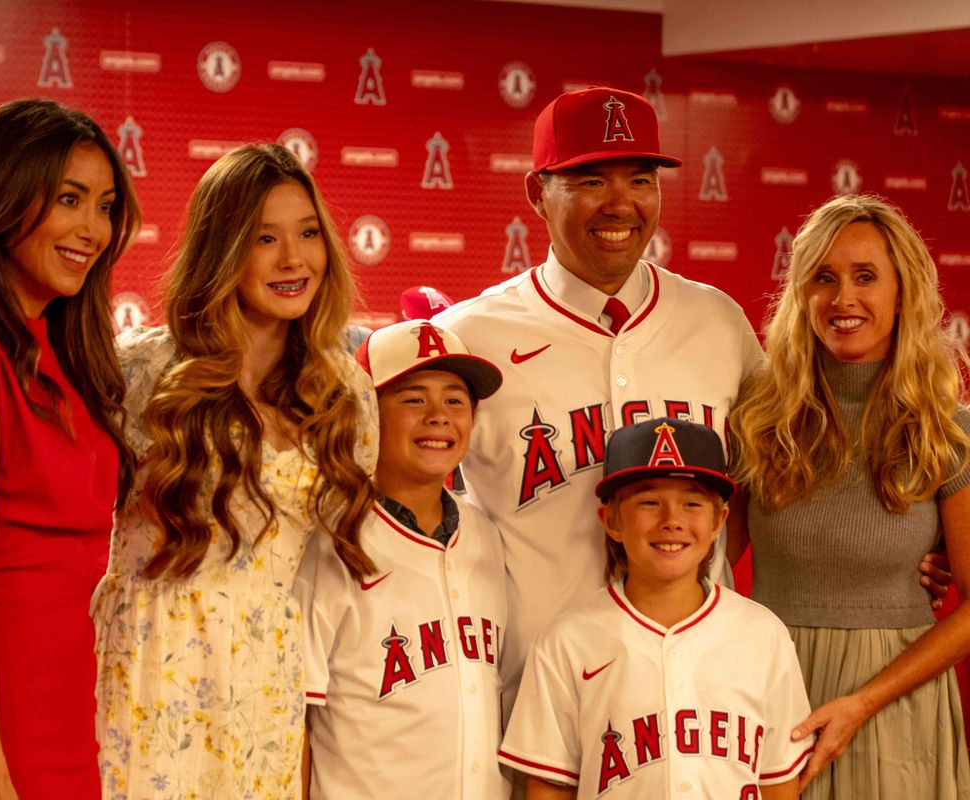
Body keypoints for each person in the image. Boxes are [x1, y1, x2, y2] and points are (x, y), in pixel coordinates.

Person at [434, 87, 763, 716]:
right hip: (528, 696)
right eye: (590, 180)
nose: (621, 204)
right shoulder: (471, 335)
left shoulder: (718, 322)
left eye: (641, 179)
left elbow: (764, 479)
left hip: (692, 694)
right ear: (537, 193)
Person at [92, 142, 379, 799]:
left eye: (308, 234)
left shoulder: (344, 392)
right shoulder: (140, 370)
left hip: (263, 682)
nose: (293, 259)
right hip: (145, 664)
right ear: (222, 249)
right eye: (263, 238)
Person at [0, 99, 140, 799]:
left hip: (79, 708)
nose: (92, 229)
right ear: (3, 200)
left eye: (104, 206)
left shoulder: (67, 358)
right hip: (6, 717)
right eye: (68, 199)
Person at [729, 193, 970, 799]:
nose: (843, 299)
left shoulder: (948, 429)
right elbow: (706, 572)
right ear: (800, 293)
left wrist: (862, 704)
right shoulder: (759, 418)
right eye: (823, 278)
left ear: (902, 292)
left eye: (866, 277)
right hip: (768, 691)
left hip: (894, 708)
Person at [501, 417, 814, 799]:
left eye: (692, 503)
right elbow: (549, 786)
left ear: (720, 520)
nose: (672, 521)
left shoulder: (762, 634)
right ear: (611, 520)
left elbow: (778, 781)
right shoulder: (567, 641)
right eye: (649, 502)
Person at [297, 319, 509, 799]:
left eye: (455, 399)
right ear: (365, 413)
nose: (438, 416)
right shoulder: (328, 541)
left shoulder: (486, 537)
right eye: (413, 398)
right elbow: (294, 723)